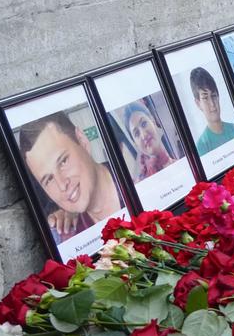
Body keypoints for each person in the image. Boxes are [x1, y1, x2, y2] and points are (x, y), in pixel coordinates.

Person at [18, 111, 125, 242]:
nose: (62, 185)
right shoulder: (67, 239)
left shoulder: (139, 177)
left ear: (82, 140)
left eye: (63, 162)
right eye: (49, 179)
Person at [120, 101, 179, 181]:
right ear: (135, 143)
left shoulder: (181, 164)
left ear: (153, 121)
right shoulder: (140, 186)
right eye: (137, 133)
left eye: (144, 124)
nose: (143, 135)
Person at [190, 67, 234, 154]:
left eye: (214, 95)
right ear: (198, 103)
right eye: (205, 98)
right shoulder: (202, 146)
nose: (212, 104)